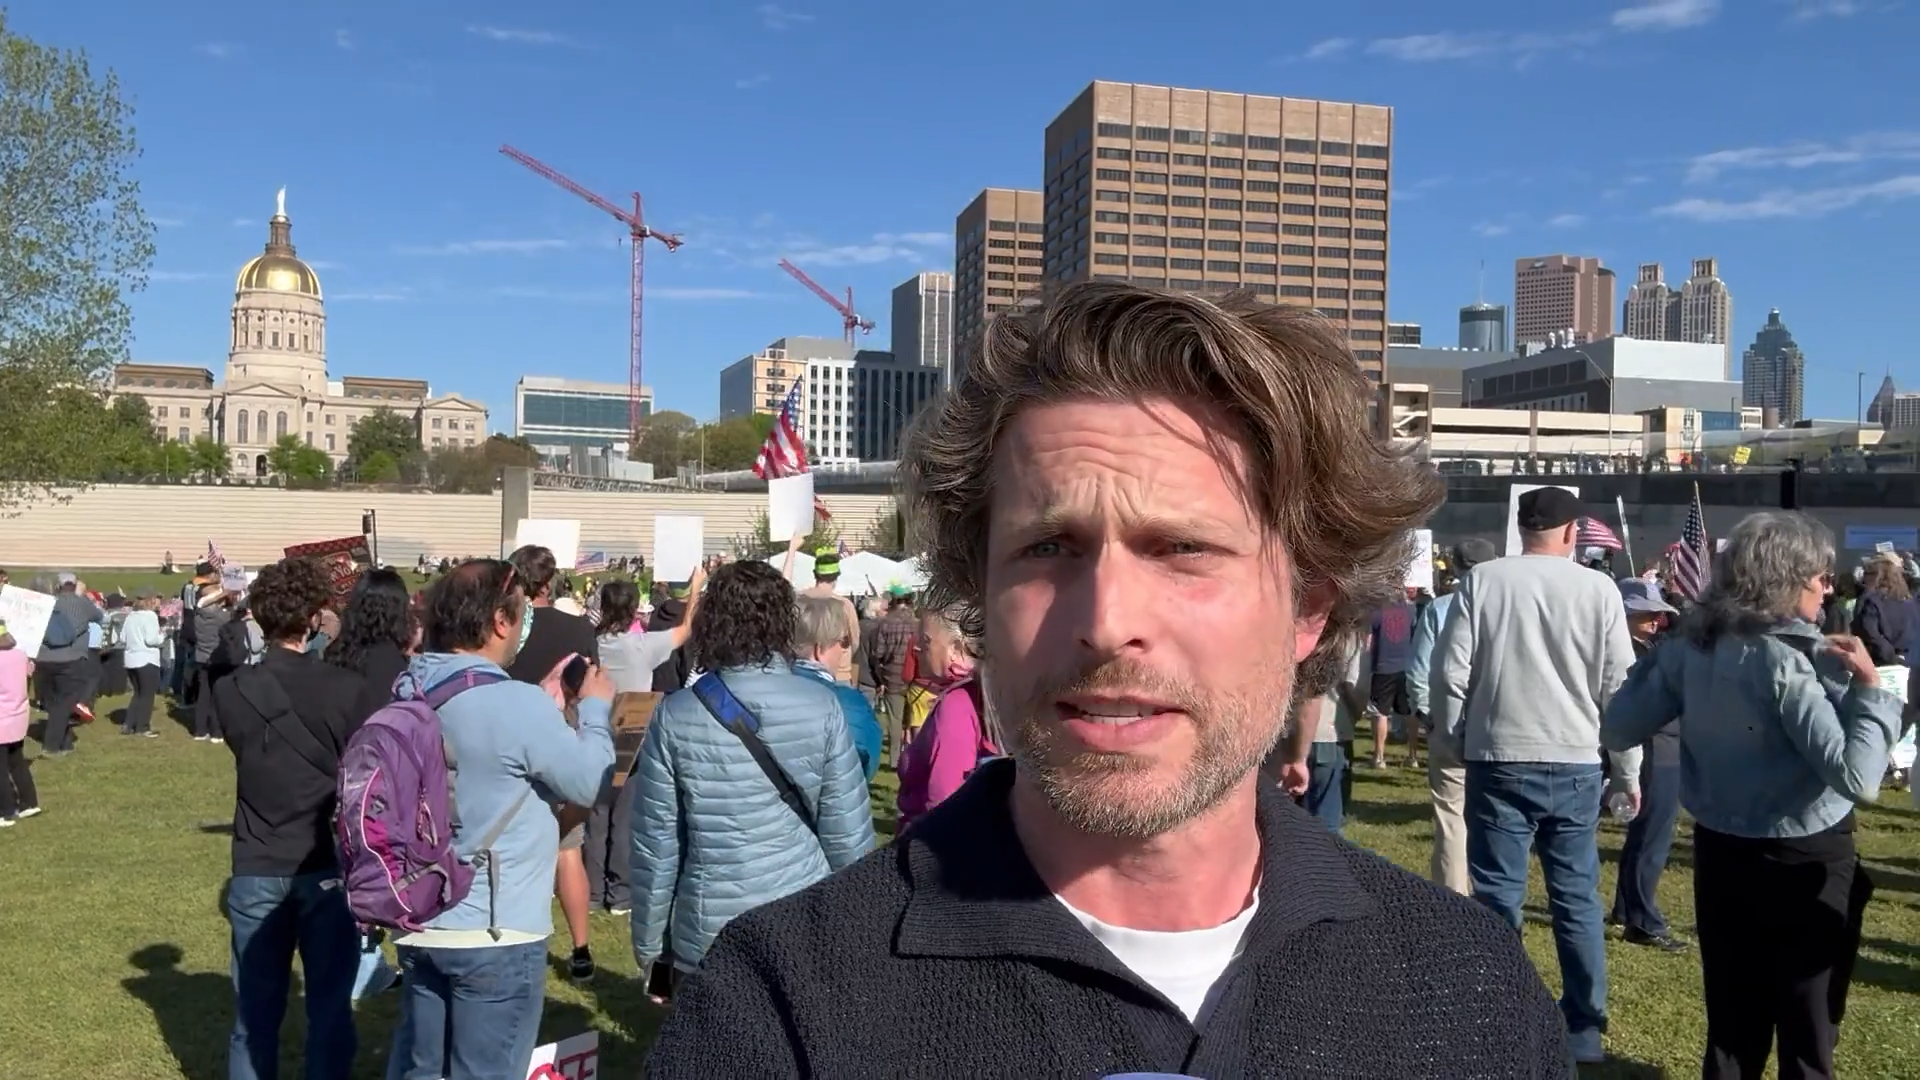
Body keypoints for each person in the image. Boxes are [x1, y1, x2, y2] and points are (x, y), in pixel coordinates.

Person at [641, 282, 1568, 1077]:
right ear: (980, 594)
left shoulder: (1470, 990)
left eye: (1184, 549)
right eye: (1049, 548)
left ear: (1308, 612)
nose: (1106, 619)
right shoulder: (780, 1008)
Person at [1604, 512, 1899, 1079]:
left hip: (1722, 846)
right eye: (1821, 577)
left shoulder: (1693, 647)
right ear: (1786, 579)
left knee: (1733, 1022)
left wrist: (1663, 662)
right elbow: (1857, 778)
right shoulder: (1791, 658)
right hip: (1806, 851)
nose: (1828, 588)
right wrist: (1871, 690)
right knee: (1808, 1026)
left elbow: (1619, 727)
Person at [1430, 486, 1639, 1064]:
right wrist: (1627, 769)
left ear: (1522, 528)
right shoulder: (1598, 589)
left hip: (1499, 755)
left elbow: (1450, 671)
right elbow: (1619, 685)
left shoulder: (1484, 581)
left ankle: (1501, 1014)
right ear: (1572, 533)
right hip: (1574, 758)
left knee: (1498, 894)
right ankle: (1584, 1026)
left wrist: (1453, 739)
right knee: (1576, 898)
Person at [386, 559, 615, 1080]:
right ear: (499, 621)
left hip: (420, 915)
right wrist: (595, 710)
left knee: (423, 1069)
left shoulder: (407, 689)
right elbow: (589, 783)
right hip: (495, 928)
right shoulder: (515, 702)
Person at [628, 561, 875, 1001]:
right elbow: (848, 838)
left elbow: (657, 847)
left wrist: (650, 950)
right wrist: (855, 932)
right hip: (800, 922)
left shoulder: (675, 715)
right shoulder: (822, 707)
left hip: (709, 931)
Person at [211, 557, 369, 1080]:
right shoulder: (346, 689)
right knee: (329, 1008)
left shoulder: (231, 689)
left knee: (254, 1017)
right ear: (316, 616)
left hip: (257, 858)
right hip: (324, 858)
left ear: (258, 615)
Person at [501, 544, 602, 980]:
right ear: (549, 582)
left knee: (512, 847)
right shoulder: (577, 627)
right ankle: (580, 949)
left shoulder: (505, 626)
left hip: (513, 736)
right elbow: (589, 679)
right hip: (564, 733)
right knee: (568, 849)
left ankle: (519, 939)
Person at [585, 572, 706, 917]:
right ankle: (620, 892)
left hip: (598, 720)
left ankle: (593, 889)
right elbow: (686, 629)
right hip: (634, 720)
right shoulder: (641, 645)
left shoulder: (593, 643)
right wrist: (696, 588)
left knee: (596, 811)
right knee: (625, 813)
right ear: (633, 609)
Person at [323, 566, 417, 999]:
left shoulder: (336, 656)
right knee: (390, 878)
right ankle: (370, 963)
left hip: (341, 779)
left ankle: (362, 961)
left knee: (353, 876)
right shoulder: (400, 670)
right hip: (385, 783)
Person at [1408, 538, 1497, 895]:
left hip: (1449, 721)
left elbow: (1419, 669)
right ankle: (1493, 892)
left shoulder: (1440, 608)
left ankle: (1453, 893)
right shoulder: (1509, 607)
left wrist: (1427, 713)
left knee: (1451, 817)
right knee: (1496, 815)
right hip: (1496, 725)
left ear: (1456, 568)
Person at [1606, 577, 1687, 953]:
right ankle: (1642, 919)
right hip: (1655, 747)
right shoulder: (1629, 653)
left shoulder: (1648, 647)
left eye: (1658, 613)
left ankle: (1627, 908)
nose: (1657, 619)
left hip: (1662, 746)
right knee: (1651, 838)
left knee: (1646, 835)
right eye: (1646, 613)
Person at [894, 608, 988, 829]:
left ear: (955, 648)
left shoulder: (958, 704)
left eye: (926, 641)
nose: (917, 647)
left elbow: (943, 802)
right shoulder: (979, 692)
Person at [1271, 636, 1368, 833]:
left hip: (1286, 734)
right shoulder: (1344, 634)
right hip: (1329, 734)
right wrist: (1357, 712)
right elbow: (1350, 684)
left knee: (1285, 821)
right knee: (1327, 823)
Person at [792, 594, 884, 782]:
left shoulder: (759, 692)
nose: (844, 650)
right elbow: (865, 762)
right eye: (843, 642)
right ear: (820, 649)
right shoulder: (849, 704)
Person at [34, 572, 105, 756]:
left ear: (58, 586)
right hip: (71, 658)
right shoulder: (82, 603)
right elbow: (100, 617)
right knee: (65, 703)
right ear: (74, 586)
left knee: (53, 702)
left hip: (44, 659)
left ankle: (65, 743)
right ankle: (51, 746)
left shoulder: (47, 602)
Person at [865, 584, 920, 766]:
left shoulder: (885, 624)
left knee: (895, 721)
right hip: (914, 677)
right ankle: (914, 756)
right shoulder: (917, 624)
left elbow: (878, 653)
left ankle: (895, 760)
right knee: (913, 719)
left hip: (892, 677)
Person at [1366, 588, 1418, 768]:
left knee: (1380, 713)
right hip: (1406, 666)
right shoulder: (1411, 610)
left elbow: (1368, 643)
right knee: (1410, 712)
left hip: (1383, 667)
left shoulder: (1376, 612)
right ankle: (1413, 756)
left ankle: (1379, 757)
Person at [0, 618, 42, 825]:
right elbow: (28, 674)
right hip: (18, 717)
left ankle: (5, 811)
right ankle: (29, 803)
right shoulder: (20, 655)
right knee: (16, 762)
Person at [193, 582, 236, 742]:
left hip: (201, 657)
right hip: (218, 658)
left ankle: (200, 730)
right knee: (218, 695)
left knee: (203, 694)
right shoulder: (222, 617)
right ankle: (216, 732)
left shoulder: (198, 615)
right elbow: (234, 616)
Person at [121, 588, 164, 738]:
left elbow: (122, 638)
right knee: (147, 695)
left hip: (131, 659)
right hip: (147, 659)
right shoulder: (150, 616)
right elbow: (151, 640)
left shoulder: (130, 616)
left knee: (138, 694)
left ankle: (129, 724)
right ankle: (142, 727)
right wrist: (163, 636)